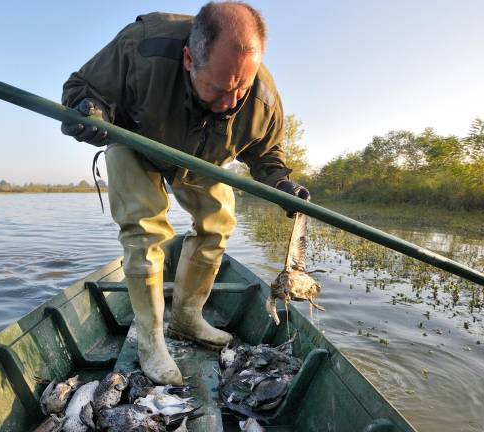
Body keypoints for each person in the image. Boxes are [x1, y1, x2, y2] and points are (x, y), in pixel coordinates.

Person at [61, 2, 310, 385]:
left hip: (204, 158)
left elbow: (267, 155)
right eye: (219, 88)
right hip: (136, 141)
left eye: (240, 89)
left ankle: (188, 318)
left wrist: (280, 185)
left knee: (219, 224)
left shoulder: (263, 97)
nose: (230, 102)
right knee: (145, 230)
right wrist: (89, 113)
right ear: (190, 58)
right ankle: (151, 340)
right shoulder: (143, 45)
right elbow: (81, 88)